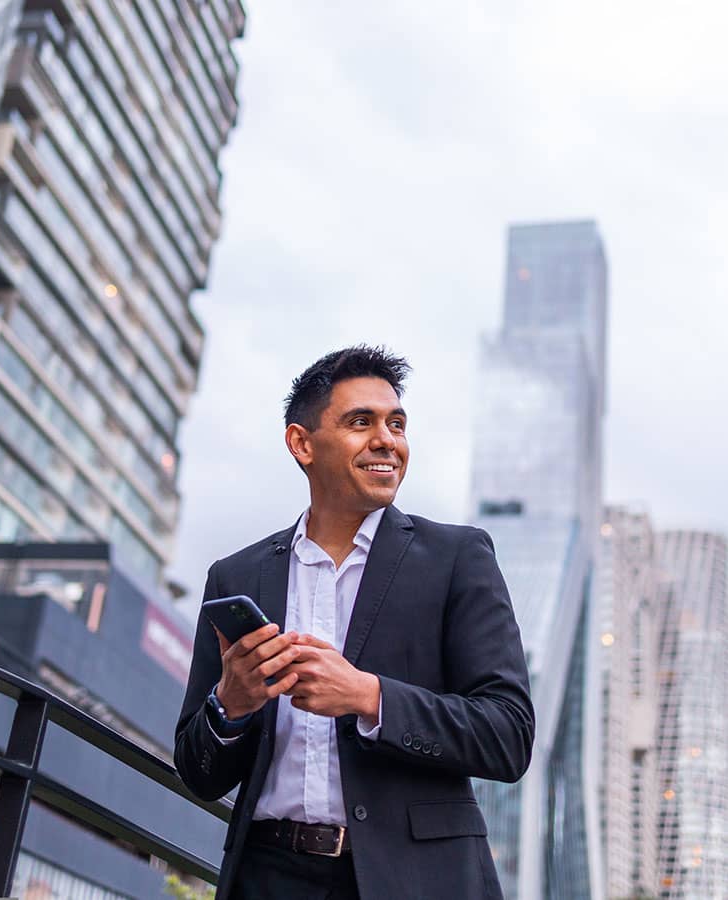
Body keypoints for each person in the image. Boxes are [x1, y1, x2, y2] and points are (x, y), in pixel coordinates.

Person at [175, 346, 534, 900]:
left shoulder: (457, 558)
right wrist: (232, 705)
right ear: (302, 444)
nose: (387, 439)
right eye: (360, 422)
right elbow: (199, 774)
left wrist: (369, 697)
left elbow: (508, 734)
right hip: (266, 877)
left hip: (415, 881)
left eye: (396, 423)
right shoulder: (236, 576)